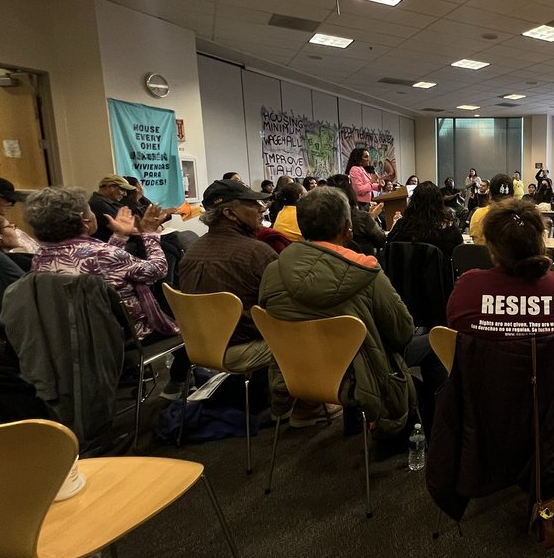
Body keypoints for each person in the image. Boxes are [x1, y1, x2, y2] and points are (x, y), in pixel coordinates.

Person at [259, 187, 415, 439]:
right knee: (423, 347)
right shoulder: (366, 272)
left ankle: (312, 409)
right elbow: (403, 332)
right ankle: (418, 437)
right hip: (360, 381)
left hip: (296, 375)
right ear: (347, 228)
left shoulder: (272, 272)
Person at [26, 186, 191, 398]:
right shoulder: (103, 254)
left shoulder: (41, 257)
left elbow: (101, 266)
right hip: (124, 338)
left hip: (70, 336)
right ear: (85, 221)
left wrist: (119, 236)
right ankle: (176, 385)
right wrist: (150, 234)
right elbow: (157, 271)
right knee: (188, 322)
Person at [177, 180, 301, 418]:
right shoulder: (257, 252)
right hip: (242, 348)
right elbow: (285, 308)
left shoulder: (191, 253)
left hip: (199, 348)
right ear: (229, 213)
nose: (262, 208)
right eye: (252, 204)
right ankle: (292, 409)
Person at [448, 199, 554, 339]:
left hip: (483, 361)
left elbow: (455, 330)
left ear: (491, 246)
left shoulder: (467, 288)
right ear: (540, 240)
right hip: (546, 361)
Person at [386, 181, 465, 266]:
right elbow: (459, 251)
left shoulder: (402, 225)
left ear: (413, 201)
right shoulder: (448, 227)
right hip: (438, 276)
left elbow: (390, 245)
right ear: (439, 202)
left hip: (405, 275)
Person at [332, 175, 386, 256]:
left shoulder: (326, 218)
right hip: (363, 263)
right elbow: (381, 240)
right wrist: (371, 219)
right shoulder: (362, 217)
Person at [470, 173, 513, 243]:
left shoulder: (478, 214)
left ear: (489, 194)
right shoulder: (520, 216)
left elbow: (476, 241)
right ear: (513, 195)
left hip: (483, 253)